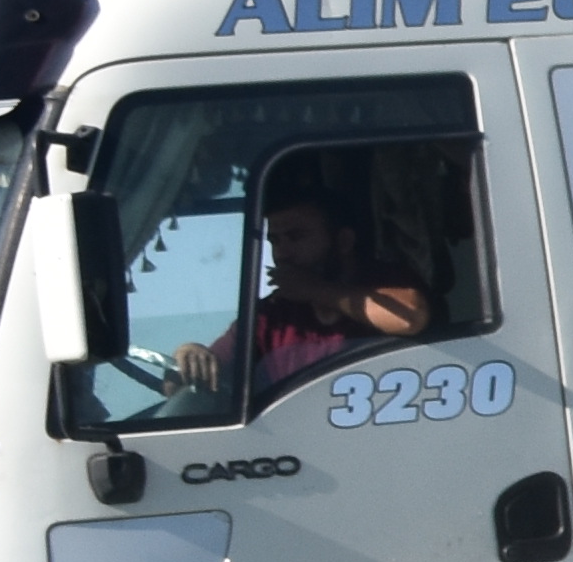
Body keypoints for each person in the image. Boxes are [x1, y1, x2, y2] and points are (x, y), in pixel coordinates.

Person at [157, 175, 426, 411]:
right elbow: (198, 379)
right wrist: (190, 355)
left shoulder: (382, 283)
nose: (282, 254)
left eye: (296, 237)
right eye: (275, 241)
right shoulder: (270, 317)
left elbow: (409, 317)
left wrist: (313, 290)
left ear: (343, 241)